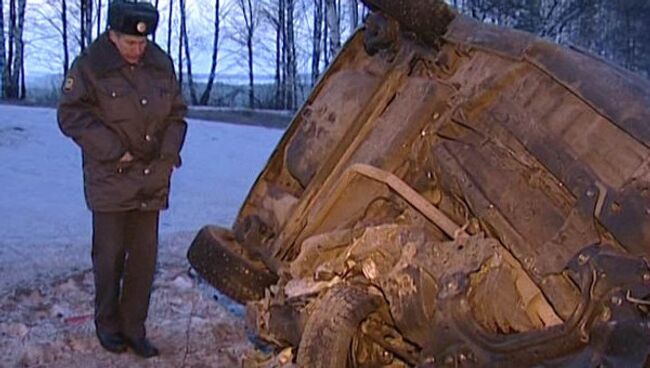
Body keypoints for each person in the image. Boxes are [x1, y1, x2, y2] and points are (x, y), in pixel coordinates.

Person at [57, 0, 187, 358]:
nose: (137, 49)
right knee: (110, 257)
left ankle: (135, 328)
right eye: (130, 42)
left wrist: (168, 155)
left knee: (144, 261)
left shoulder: (160, 64)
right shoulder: (90, 66)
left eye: (141, 43)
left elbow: (177, 114)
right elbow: (71, 115)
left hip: (151, 178)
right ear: (112, 35)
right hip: (110, 179)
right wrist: (115, 150)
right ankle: (108, 326)